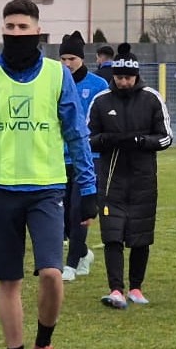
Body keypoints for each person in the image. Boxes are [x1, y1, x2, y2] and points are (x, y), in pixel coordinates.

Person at [0, 0, 97, 349]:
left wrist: (87, 189)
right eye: (10, 27)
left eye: (23, 27)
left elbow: (76, 134)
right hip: (2, 190)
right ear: (2, 30)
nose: (16, 33)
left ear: (38, 31)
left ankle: (45, 344)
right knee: (9, 281)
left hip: (47, 189)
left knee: (53, 273)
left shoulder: (57, 74)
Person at [88, 44, 172, 308]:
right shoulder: (101, 101)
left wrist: (141, 141)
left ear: (136, 76)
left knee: (140, 235)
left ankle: (136, 287)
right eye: (119, 77)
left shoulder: (151, 98)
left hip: (143, 180)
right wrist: (107, 140)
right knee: (112, 235)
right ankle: (115, 289)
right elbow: (86, 139)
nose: (123, 82)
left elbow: (166, 138)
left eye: (128, 77)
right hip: (111, 180)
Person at [59, 31, 110, 282]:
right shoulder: (55, 83)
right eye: (63, 59)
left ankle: (69, 265)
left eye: (72, 59)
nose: (67, 64)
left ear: (81, 58)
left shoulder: (98, 85)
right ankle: (83, 253)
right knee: (63, 214)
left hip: (90, 158)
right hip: (59, 159)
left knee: (79, 210)